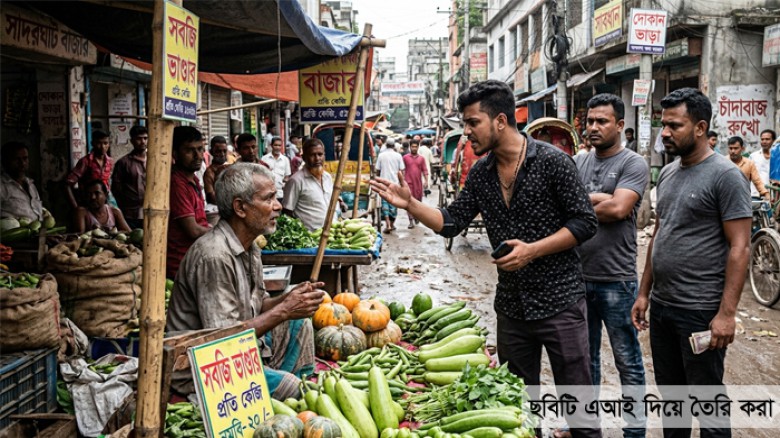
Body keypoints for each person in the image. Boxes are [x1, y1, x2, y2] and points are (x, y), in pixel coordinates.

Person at [371, 80, 599, 437]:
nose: (466, 132)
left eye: (473, 122)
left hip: (561, 301)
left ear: (501, 121)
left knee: (579, 403)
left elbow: (585, 222)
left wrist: (532, 250)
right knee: (518, 408)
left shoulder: (553, 162)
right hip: (511, 307)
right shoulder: (481, 173)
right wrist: (411, 204)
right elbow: (451, 223)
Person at [631, 88, 751, 437]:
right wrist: (644, 293)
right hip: (665, 307)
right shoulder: (668, 173)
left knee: (707, 400)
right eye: (663, 125)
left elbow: (740, 248)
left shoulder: (725, 176)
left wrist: (726, 314)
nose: (664, 133)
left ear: (700, 128)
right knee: (673, 399)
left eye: (674, 125)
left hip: (700, 311)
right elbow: (659, 235)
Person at [167, 162, 326, 399]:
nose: (278, 206)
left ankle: (271, 389)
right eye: (269, 199)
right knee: (294, 388)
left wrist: (291, 300)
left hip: (238, 349)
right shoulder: (214, 256)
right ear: (240, 207)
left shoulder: (250, 246)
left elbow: (259, 302)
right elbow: (223, 339)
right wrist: (283, 309)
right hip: (203, 366)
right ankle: (275, 393)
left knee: (299, 323)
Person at [576, 94, 649, 438]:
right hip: (578, 278)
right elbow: (569, 209)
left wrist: (588, 203)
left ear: (619, 125)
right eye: (590, 121)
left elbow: (619, 210)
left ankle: (635, 431)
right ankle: (587, 428)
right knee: (584, 360)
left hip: (616, 280)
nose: (593, 127)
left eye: (601, 121)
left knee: (628, 360)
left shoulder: (633, 163)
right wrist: (603, 198)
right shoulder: (579, 162)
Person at [167, 126, 211, 280]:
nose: (198, 156)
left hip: (196, 258)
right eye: (189, 151)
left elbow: (201, 222)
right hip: (181, 265)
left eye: (200, 149)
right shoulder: (176, 183)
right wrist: (222, 232)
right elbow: (192, 230)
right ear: (175, 153)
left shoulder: (194, 179)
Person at [283, 138, 340, 232]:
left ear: (324, 156)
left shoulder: (328, 177)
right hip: (311, 237)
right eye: (312, 155)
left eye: (320, 154)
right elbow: (287, 212)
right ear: (304, 157)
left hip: (332, 234)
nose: (317, 158)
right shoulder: (296, 181)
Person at [66, 130, 113, 210]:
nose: (102, 147)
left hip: (105, 203)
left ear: (109, 144)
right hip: (89, 204)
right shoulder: (85, 161)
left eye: (105, 143)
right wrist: (75, 206)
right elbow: (67, 183)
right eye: (99, 143)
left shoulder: (110, 162)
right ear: (92, 144)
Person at [111, 125, 147, 229]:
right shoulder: (123, 163)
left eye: (145, 138)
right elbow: (116, 189)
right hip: (130, 214)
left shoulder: (153, 161)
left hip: (151, 212)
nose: (143, 141)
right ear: (132, 141)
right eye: (139, 139)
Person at [0, 142, 43, 221]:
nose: (22, 163)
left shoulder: (31, 184)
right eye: (16, 159)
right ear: (5, 161)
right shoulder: (2, 186)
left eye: (25, 158)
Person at [375, 137, 405, 232]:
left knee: (385, 203)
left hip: (384, 183)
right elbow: (402, 170)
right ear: (394, 146)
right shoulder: (398, 156)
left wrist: (378, 179)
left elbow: (377, 170)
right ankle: (391, 224)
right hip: (395, 183)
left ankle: (387, 224)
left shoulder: (381, 155)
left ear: (386, 145)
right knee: (394, 203)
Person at [727, 136, 769, 200]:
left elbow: (757, 181)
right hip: (726, 198)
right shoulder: (722, 162)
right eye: (730, 148)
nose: (733, 151)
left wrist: (766, 194)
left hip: (744, 198)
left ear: (742, 149)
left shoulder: (749, 163)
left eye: (736, 148)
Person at [402, 139, 428, 228]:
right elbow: (402, 170)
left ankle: (416, 216)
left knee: (418, 201)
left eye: (416, 146)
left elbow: (425, 170)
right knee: (409, 201)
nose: (414, 148)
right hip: (408, 183)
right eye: (412, 146)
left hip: (418, 183)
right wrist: (401, 181)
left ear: (418, 147)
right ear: (410, 147)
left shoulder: (421, 158)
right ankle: (410, 220)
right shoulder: (405, 158)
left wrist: (426, 180)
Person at [261, 136, 292, 203]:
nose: (278, 147)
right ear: (271, 145)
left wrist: (284, 185)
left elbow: (287, 176)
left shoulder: (285, 160)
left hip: (280, 194)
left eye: (279, 145)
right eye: (275, 145)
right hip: (267, 193)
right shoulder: (264, 159)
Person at [203, 136, 231, 205]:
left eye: (224, 151)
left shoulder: (231, 167)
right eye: (218, 151)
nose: (222, 154)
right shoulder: (209, 172)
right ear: (211, 152)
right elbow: (212, 198)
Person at [749, 129, 775, 195]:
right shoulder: (753, 156)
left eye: (767, 139)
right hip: (756, 194)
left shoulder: (777, 157)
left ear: (773, 141)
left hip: (774, 195)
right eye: (762, 139)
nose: (764, 141)